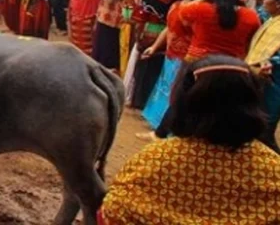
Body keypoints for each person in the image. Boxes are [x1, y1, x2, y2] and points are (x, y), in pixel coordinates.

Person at [100, 56, 280, 225]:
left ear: (184, 100)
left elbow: (112, 212)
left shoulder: (154, 159)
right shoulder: (273, 170)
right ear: (253, 102)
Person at [141, 0, 203, 135]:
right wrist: (154, 47)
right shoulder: (176, 4)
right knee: (164, 88)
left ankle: (167, 129)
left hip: (184, 57)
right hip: (170, 54)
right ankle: (158, 125)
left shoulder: (197, 10)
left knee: (175, 92)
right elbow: (168, 28)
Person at [179, 0, 260, 62]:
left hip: (198, 60)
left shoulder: (199, 9)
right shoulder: (251, 16)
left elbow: (182, 12)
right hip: (234, 63)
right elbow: (251, 42)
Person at [247, 0, 280, 151]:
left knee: (266, 123)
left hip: (274, 83)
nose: (264, 1)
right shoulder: (272, 20)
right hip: (261, 79)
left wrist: (271, 62)